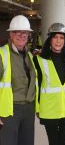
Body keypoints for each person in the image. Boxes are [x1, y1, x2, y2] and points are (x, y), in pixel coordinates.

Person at [33, 22, 65, 145]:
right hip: (49, 110)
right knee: (53, 142)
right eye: (55, 37)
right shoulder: (39, 60)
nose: (58, 41)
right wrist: (37, 108)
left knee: (64, 142)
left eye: (61, 37)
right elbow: (37, 85)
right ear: (50, 39)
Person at [0, 15, 38, 145]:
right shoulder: (2, 54)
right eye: (17, 32)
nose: (22, 35)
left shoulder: (30, 56)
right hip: (10, 110)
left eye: (25, 32)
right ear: (11, 34)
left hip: (28, 109)